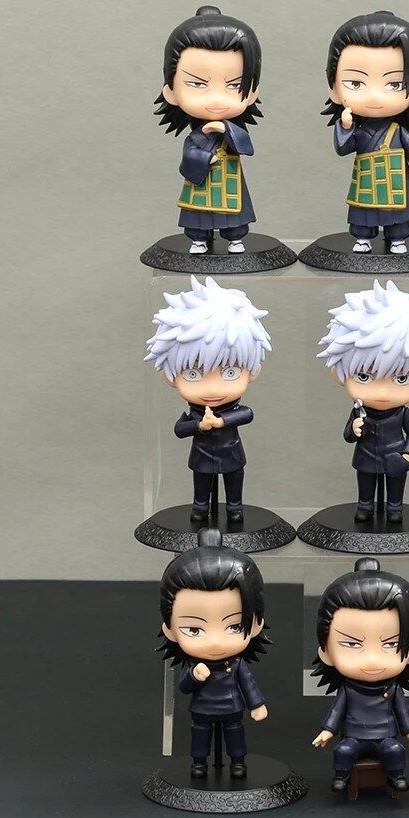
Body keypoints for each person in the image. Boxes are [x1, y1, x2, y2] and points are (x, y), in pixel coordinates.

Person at [317, 280, 409, 524]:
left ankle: (394, 507)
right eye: (364, 377)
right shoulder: (359, 410)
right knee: (366, 485)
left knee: (395, 488)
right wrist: (354, 429)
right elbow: (348, 436)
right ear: (339, 374)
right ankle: (365, 505)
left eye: (401, 378)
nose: (383, 393)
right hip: (366, 456)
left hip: (396, 457)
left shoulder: (402, 413)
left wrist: (408, 456)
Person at [146, 275, 271, 522]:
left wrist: (221, 422)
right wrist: (200, 425)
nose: (212, 388)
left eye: (230, 372)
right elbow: (180, 429)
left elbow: (246, 414)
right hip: (202, 456)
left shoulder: (233, 410)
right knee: (202, 483)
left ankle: (235, 508)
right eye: (193, 374)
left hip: (232, 454)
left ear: (253, 371)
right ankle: (200, 508)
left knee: (234, 481)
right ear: (170, 377)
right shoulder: (196, 412)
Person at [158, 527, 271, 778]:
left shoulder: (237, 664)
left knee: (235, 733)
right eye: (194, 629)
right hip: (202, 707)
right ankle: (199, 762)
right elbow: (184, 688)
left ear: (256, 624)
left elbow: (248, 684)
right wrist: (194, 676)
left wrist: (257, 704)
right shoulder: (195, 665)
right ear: (170, 630)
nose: (215, 641)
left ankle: (238, 762)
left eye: (234, 626)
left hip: (232, 706)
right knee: (200, 734)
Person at [323, 11, 409, 254]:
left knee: (397, 214)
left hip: (394, 178)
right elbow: (344, 148)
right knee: (363, 212)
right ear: (334, 89)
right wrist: (346, 127)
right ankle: (363, 238)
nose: (375, 96)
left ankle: (397, 239)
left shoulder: (398, 131)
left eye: (395, 84)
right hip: (367, 177)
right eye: (356, 84)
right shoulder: (359, 129)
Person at [311, 558, 409, 793]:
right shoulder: (348, 689)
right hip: (353, 735)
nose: (372, 659)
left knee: (395, 750)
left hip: (385, 735)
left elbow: (403, 712)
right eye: (352, 644)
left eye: (391, 644)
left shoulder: (393, 688)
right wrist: (328, 730)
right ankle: (341, 777)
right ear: (326, 651)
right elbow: (337, 711)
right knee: (343, 751)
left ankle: (397, 776)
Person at [156, 6, 264, 254]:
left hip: (230, 180)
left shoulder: (231, 131)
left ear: (251, 92)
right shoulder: (196, 137)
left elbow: (246, 147)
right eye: (197, 84)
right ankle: (199, 239)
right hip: (203, 182)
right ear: (171, 91)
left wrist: (226, 130)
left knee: (235, 216)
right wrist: (204, 157)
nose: (216, 98)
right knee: (198, 217)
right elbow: (188, 158)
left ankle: (235, 239)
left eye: (234, 85)